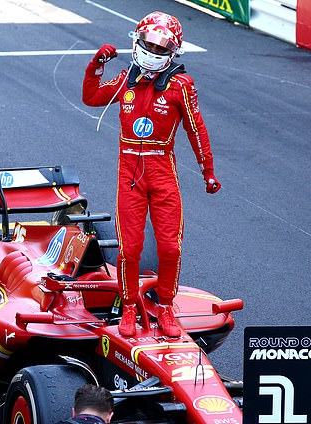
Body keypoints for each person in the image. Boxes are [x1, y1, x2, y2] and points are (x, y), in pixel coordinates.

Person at [82, 11, 220, 337]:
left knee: (170, 247)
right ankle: (129, 307)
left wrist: (207, 171)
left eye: (162, 49)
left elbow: (196, 128)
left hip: (162, 172)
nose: (154, 52)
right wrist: (96, 65)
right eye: (149, 45)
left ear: (173, 52)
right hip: (129, 173)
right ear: (138, 41)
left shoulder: (181, 85)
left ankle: (166, 307)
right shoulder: (125, 78)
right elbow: (91, 97)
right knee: (130, 248)